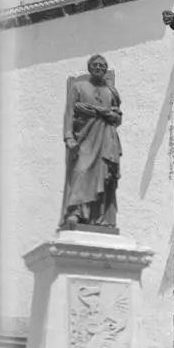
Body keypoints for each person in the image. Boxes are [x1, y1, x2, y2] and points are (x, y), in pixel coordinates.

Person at [60, 54, 122, 228]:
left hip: (106, 138)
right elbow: (69, 112)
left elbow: (118, 117)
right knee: (81, 171)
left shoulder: (111, 91)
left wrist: (112, 115)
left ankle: (100, 218)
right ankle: (76, 212)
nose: (98, 67)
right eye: (95, 64)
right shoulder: (78, 86)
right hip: (85, 137)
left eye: (102, 65)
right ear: (89, 67)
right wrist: (69, 136)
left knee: (105, 176)